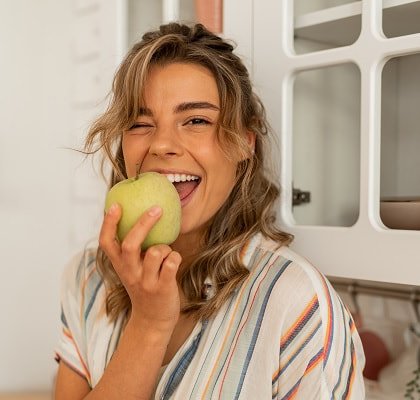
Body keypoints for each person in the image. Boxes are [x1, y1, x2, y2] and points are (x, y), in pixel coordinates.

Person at [53, 22, 365, 399]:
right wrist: (148, 326)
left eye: (196, 120)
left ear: (243, 144)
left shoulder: (297, 304)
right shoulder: (89, 277)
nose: (162, 144)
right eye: (140, 122)